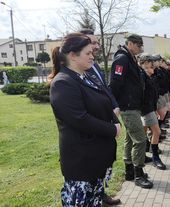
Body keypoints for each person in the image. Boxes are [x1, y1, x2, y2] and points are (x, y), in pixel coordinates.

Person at [49, 32, 121, 206]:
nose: (92, 56)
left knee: (94, 200)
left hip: (95, 157)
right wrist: (113, 129)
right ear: (73, 55)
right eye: (88, 53)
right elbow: (80, 119)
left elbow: (104, 99)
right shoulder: (63, 82)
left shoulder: (87, 76)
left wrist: (114, 119)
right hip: (82, 160)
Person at [79, 28, 121, 205]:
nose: (96, 46)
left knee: (103, 160)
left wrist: (114, 105)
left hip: (106, 114)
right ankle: (97, 194)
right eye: (92, 43)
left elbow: (104, 87)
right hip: (93, 123)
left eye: (97, 43)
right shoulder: (80, 68)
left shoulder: (93, 64)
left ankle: (101, 193)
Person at [109, 34, 154, 189]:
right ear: (130, 43)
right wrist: (116, 105)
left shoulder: (130, 57)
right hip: (127, 106)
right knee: (140, 140)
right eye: (138, 45)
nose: (141, 48)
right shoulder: (122, 59)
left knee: (130, 138)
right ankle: (138, 174)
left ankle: (129, 171)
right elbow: (115, 83)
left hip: (132, 105)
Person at [139, 54, 167, 170]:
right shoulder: (142, 77)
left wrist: (154, 109)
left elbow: (153, 95)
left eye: (152, 67)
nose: (152, 70)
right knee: (157, 131)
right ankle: (155, 157)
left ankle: (142, 156)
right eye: (149, 68)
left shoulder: (149, 77)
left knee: (142, 134)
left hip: (150, 108)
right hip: (145, 110)